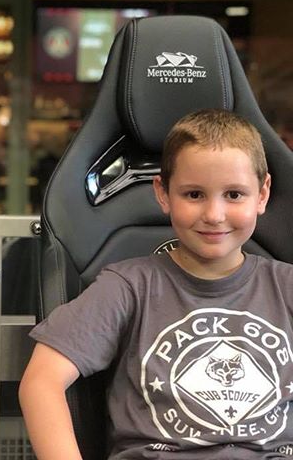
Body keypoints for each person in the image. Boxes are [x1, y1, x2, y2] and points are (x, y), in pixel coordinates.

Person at [19, 109, 293, 459]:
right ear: (163, 194)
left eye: (234, 195)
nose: (214, 214)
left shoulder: (286, 288)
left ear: (262, 194)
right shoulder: (127, 288)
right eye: (194, 195)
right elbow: (42, 382)